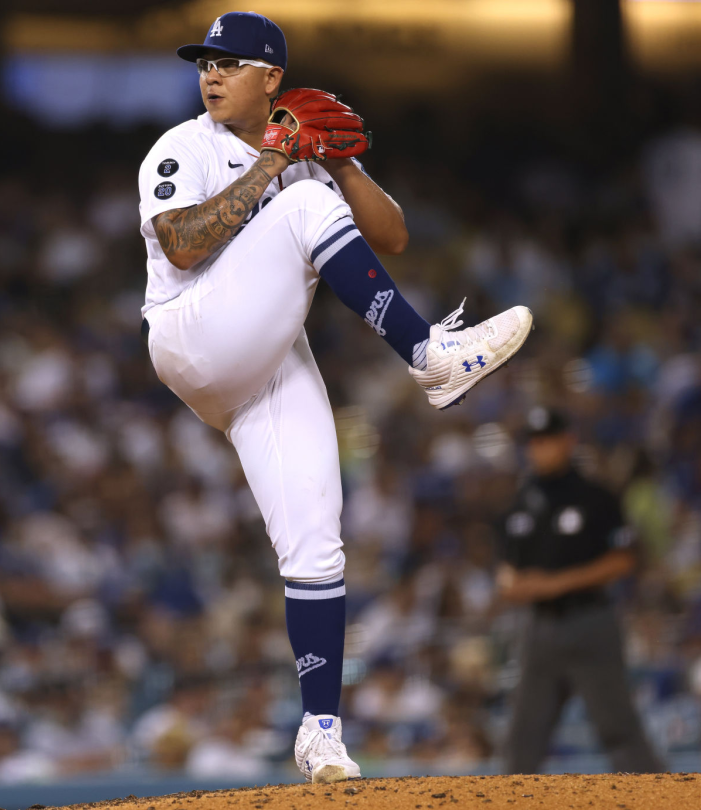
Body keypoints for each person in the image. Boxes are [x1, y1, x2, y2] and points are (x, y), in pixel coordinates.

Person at [137, 11, 534, 783]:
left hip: (263, 361)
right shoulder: (185, 145)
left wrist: (342, 164)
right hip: (189, 334)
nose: (210, 74)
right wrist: (277, 167)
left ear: (271, 79)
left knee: (317, 544)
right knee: (305, 208)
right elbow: (181, 246)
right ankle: (430, 356)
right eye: (204, 63)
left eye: (228, 62)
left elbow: (392, 237)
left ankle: (320, 733)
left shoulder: (302, 166)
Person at [496, 407, 662, 774]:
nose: (540, 450)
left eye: (548, 441)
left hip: (590, 621)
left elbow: (623, 560)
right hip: (539, 628)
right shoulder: (522, 502)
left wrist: (556, 583)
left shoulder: (595, 497)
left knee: (619, 731)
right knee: (522, 740)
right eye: (534, 442)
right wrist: (511, 583)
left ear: (568, 441)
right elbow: (508, 566)